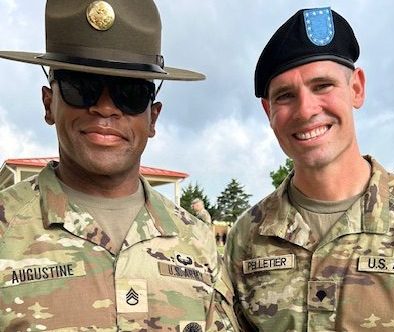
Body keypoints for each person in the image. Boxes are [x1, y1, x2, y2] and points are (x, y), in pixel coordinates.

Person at [224, 7, 394, 331]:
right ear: (268, 111)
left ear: (356, 88)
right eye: (286, 96)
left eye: (322, 86)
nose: (306, 110)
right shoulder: (247, 239)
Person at [0, 1, 239, 331]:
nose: (105, 108)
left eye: (130, 93)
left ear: (153, 117)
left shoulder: (196, 240)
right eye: (81, 86)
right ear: (48, 103)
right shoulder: (5, 229)